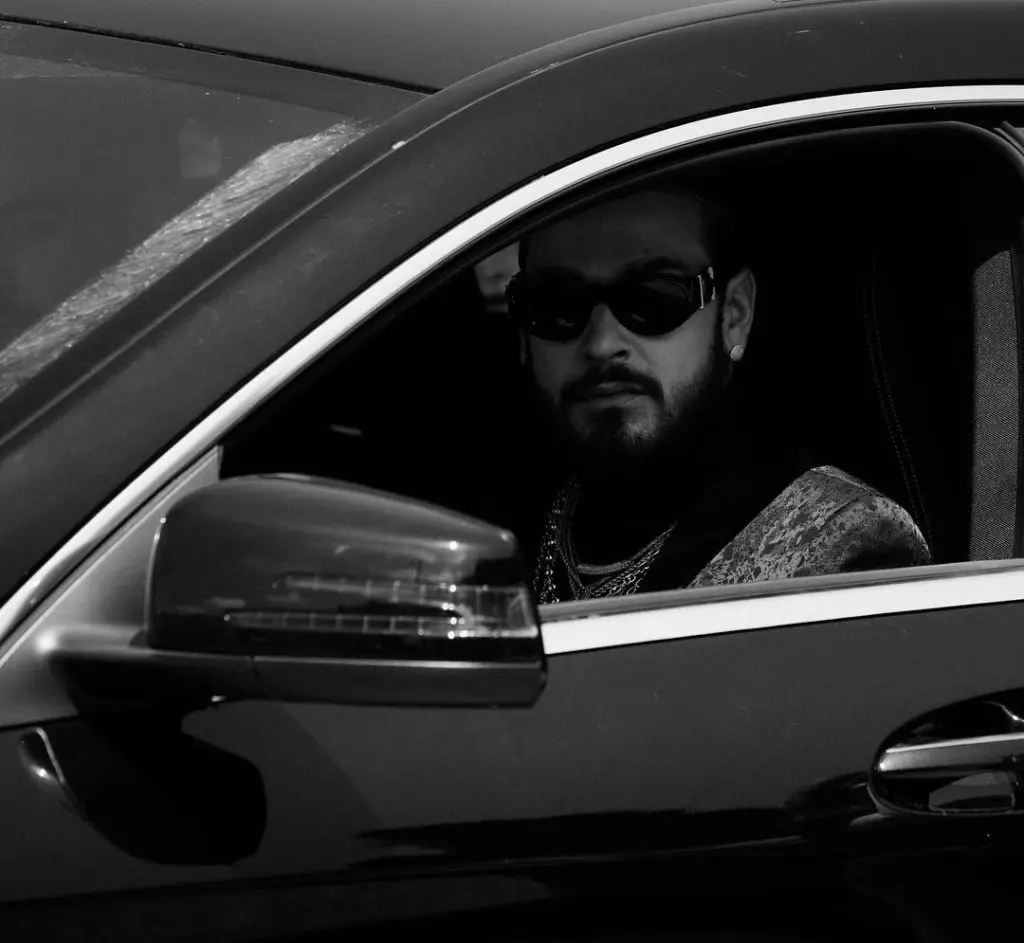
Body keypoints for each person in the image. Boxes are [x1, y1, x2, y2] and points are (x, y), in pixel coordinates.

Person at [506, 186, 930, 603]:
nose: (601, 344)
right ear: (523, 332)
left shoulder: (835, 541)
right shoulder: (493, 523)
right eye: (558, 306)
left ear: (734, 314)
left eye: (652, 299)